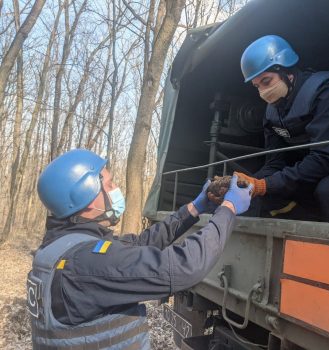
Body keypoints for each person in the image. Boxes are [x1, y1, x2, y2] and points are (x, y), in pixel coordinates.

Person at [27, 149, 252, 349]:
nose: (116, 189)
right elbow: (184, 267)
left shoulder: (60, 248)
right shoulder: (86, 263)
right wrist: (228, 209)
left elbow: (140, 244)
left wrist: (194, 208)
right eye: (109, 184)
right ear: (85, 196)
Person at [236, 35, 329, 223]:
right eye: (256, 86)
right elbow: (274, 163)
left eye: (266, 81)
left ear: (287, 71)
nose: (262, 92)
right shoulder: (272, 112)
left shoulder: (328, 92)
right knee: (257, 193)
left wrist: (265, 184)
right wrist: (246, 185)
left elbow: (323, 158)